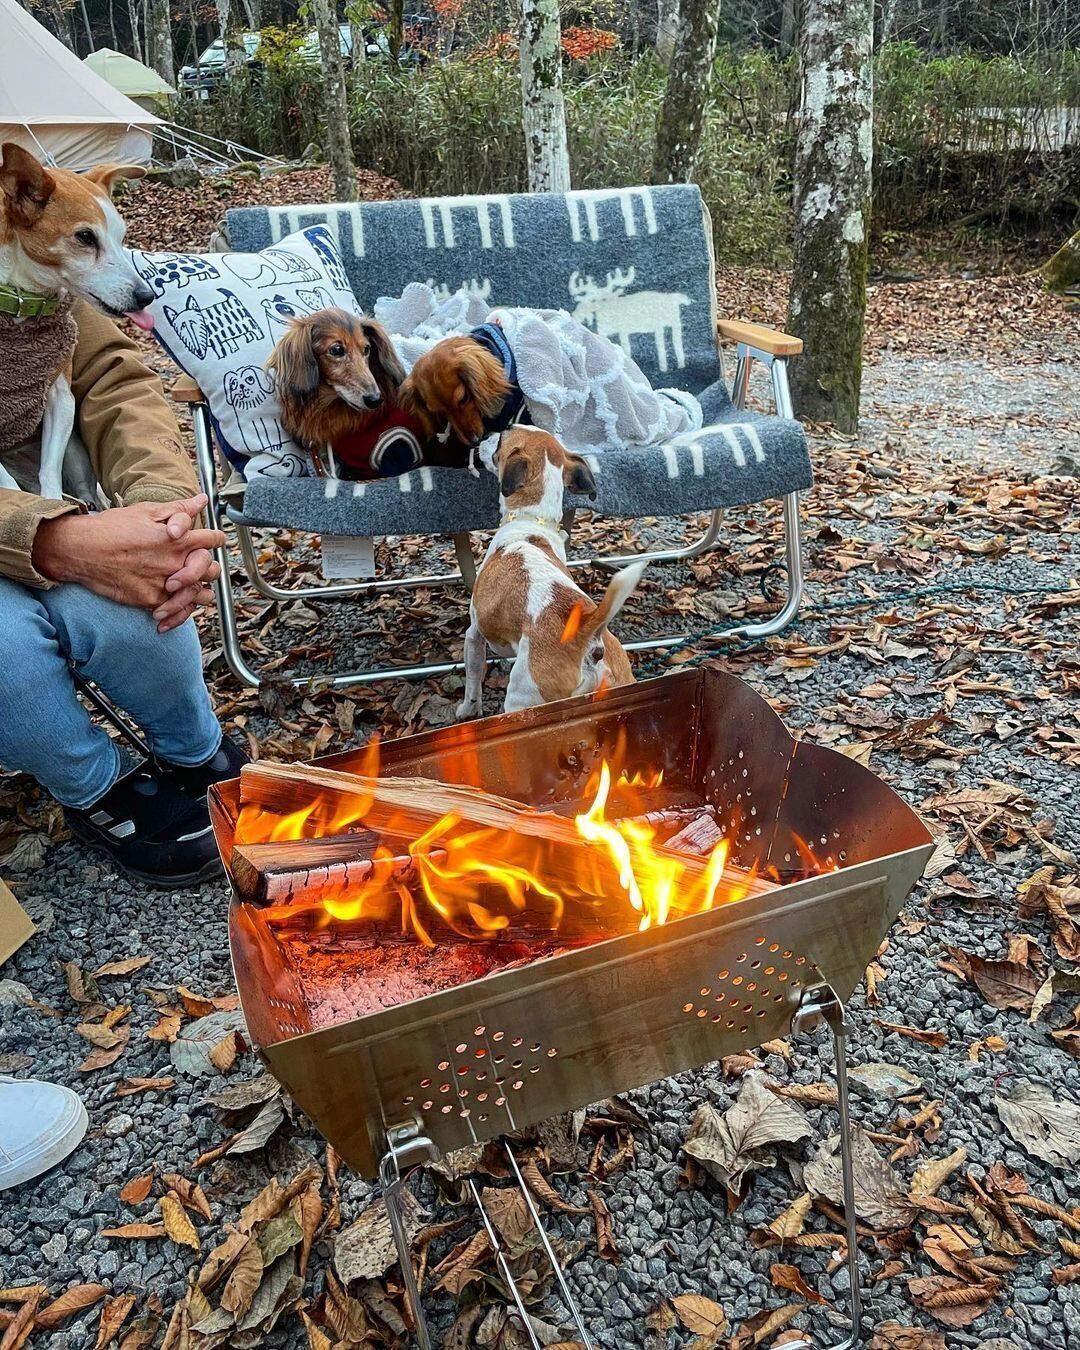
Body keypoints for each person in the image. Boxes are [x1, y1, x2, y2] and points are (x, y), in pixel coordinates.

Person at [0, 301, 247, 886]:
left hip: (42, 484)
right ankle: (94, 786)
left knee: (130, 605)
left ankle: (193, 748)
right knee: (10, 649)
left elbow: (111, 375)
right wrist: (49, 538)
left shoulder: (33, 272)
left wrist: (161, 512)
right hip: (36, 515)